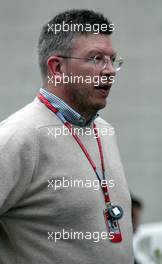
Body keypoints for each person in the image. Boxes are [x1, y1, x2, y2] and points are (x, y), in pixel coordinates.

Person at [0, 9, 133, 264]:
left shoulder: (104, 130)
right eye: (96, 59)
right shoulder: (18, 136)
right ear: (57, 67)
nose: (110, 71)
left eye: (112, 60)